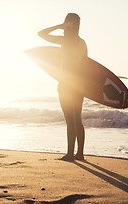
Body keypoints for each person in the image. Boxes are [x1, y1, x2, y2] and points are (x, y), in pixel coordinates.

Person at [38, 13, 88, 161]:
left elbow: (41, 34)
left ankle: (69, 154)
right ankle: (79, 153)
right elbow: (86, 65)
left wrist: (59, 26)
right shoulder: (82, 42)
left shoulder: (65, 41)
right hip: (80, 85)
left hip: (66, 84)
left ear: (69, 24)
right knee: (77, 119)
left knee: (70, 120)